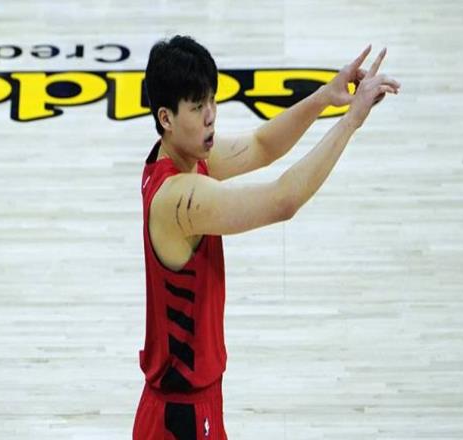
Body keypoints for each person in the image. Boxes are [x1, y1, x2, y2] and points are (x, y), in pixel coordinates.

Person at [132, 35, 400, 440]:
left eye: (212, 100)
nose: (211, 116)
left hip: (192, 403)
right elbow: (283, 201)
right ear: (166, 118)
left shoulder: (181, 158)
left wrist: (325, 97)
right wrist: (350, 122)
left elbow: (261, 145)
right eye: (197, 107)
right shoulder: (178, 198)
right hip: (179, 419)